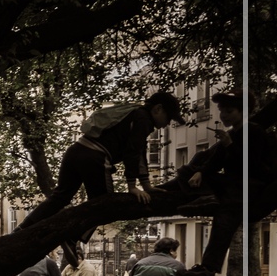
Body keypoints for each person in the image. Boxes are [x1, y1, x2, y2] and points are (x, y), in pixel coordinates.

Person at [156, 88, 277, 276]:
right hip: (231, 185)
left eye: (229, 111)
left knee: (224, 220)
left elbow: (253, 166)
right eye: (222, 111)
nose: (224, 115)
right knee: (188, 171)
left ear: (243, 111)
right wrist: (201, 172)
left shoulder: (254, 132)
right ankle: (201, 199)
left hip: (250, 186)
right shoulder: (231, 134)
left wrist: (229, 144)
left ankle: (208, 267)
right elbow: (215, 161)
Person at [19, 91, 181, 228]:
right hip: (94, 158)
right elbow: (132, 153)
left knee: (60, 197)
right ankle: (70, 233)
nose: (167, 124)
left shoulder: (134, 112)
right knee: (105, 206)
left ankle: (23, 228)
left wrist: (146, 186)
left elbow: (139, 154)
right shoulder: (144, 120)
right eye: (169, 118)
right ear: (158, 109)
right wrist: (132, 186)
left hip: (76, 151)